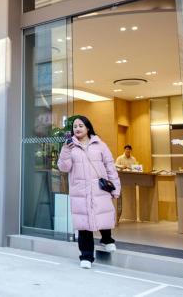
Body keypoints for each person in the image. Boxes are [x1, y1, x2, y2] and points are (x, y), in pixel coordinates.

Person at [58, 115, 121, 269]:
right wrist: (66, 150)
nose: (77, 129)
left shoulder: (100, 145)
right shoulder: (69, 147)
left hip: (99, 189)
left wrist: (116, 187)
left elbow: (110, 167)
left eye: (80, 126)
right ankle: (86, 256)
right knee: (84, 224)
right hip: (80, 191)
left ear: (87, 128)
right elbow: (63, 168)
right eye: (74, 127)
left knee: (103, 214)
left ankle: (107, 240)